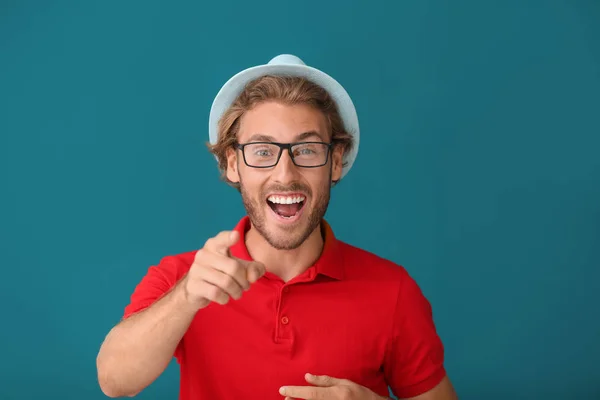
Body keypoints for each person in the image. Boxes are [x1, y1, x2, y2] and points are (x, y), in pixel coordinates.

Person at [96, 54, 458, 400]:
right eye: (263, 151)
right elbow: (114, 381)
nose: (285, 174)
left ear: (335, 161)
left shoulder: (394, 291)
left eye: (307, 150)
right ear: (232, 164)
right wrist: (188, 296)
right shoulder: (181, 278)